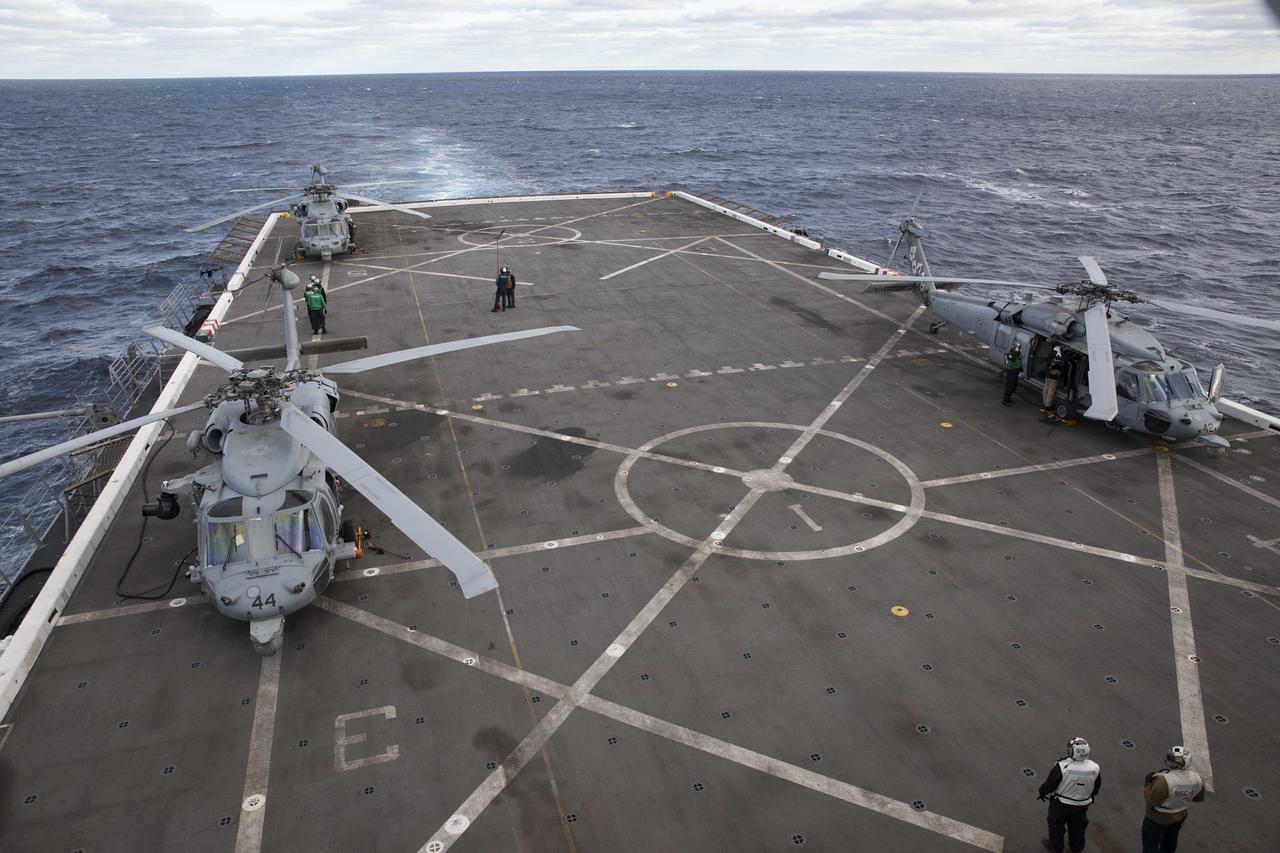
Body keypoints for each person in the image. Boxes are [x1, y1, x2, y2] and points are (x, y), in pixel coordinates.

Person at [1038, 737, 1101, 853]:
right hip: (1082, 805)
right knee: (1078, 827)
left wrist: (1042, 792)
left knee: (1056, 826)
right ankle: (1077, 848)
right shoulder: (1094, 767)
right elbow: (1096, 786)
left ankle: (1056, 847)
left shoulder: (1062, 766)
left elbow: (1050, 784)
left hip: (1061, 804)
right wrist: (1090, 797)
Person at [1141, 746, 1205, 853]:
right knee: (1170, 843)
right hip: (1179, 816)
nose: (1168, 760)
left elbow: (1152, 800)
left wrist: (1148, 784)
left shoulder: (1165, 781)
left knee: (1150, 845)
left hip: (1157, 819)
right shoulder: (1197, 779)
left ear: (1178, 764)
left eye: (1171, 759)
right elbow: (1198, 798)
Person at [1043, 345, 1067, 412]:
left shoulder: (1050, 355)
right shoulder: (1058, 357)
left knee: (1046, 389)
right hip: (1054, 377)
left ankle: (1044, 403)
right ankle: (1048, 406)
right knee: (1051, 391)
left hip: (1047, 375)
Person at [1002, 341, 1023, 406]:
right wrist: (1014, 354)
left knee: (1014, 387)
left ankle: (1009, 398)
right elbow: (1009, 360)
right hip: (1011, 372)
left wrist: (1021, 368)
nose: (1018, 349)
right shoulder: (1011, 354)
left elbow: (1019, 362)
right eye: (1016, 347)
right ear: (1013, 347)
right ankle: (1005, 400)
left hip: (1016, 372)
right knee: (1009, 387)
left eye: (1019, 347)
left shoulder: (1019, 354)